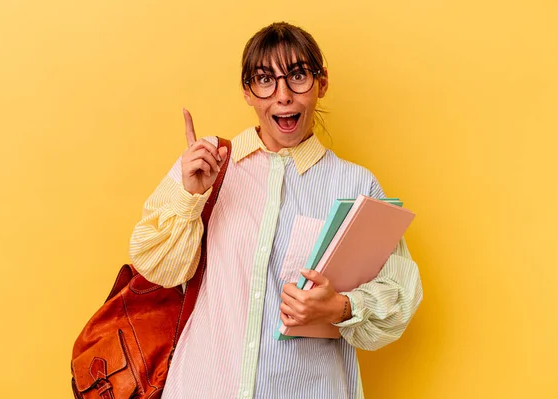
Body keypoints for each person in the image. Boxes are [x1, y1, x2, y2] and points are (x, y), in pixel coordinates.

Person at [129, 21, 423, 399]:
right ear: (248, 91)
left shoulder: (357, 185)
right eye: (265, 79)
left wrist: (338, 306)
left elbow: (401, 292)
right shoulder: (205, 165)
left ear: (322, 82)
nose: (282, 95)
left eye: (297, 76)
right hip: (203, 385)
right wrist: (189, 197)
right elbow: (157, 267)